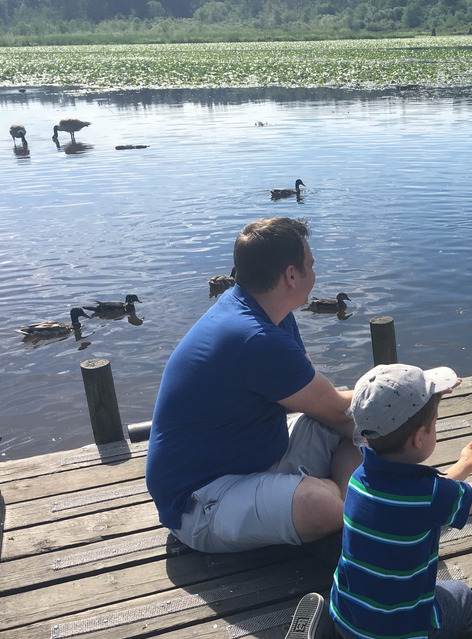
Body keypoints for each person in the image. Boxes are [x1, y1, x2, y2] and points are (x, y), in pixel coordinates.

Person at [279, 363, 472, 639]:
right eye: (434, 424)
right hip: (395, 633)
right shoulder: (427, 495)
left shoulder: (359, 476)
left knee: (363, 591)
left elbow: (425, 498)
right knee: (461, 597)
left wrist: (463, 466)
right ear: (419, 437)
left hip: (348, 611)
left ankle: (328, 625)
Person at [145, 217, 362, 553]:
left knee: (363, 428)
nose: (316, 274)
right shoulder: (254, 337)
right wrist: (416, 391)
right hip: (200, 501)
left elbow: (319, 403)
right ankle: (347, 505)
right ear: (292, 275)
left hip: (255, 460)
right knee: (319, 501)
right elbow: (333, 405)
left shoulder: (272, 313)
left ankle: (341, 500)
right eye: (311, 265)